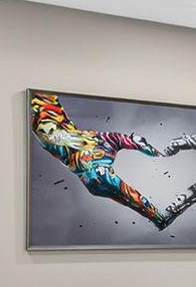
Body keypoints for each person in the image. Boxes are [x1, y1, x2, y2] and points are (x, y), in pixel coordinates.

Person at [29, 92, 163, 226]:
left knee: (107, 181)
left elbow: (49, 123)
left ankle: (156, 214)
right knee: (107, 184)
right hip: (88, 160)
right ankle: (156, 215)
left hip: (90, 147)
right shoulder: (62, 147)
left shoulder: (86, 140)